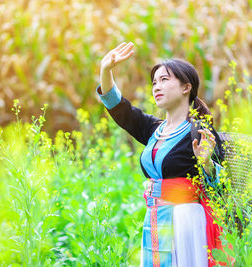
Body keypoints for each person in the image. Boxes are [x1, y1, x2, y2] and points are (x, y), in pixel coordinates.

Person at [96, 42, 226, 267]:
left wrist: (206, 163)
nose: (157, 86)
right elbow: (118, 107)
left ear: (186, 87)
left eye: (165, 80)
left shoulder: (200, 131)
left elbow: (222, 186)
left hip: (186, 223)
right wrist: (105, 70)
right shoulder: (153, 129)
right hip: (156, 219)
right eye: (154, 82)